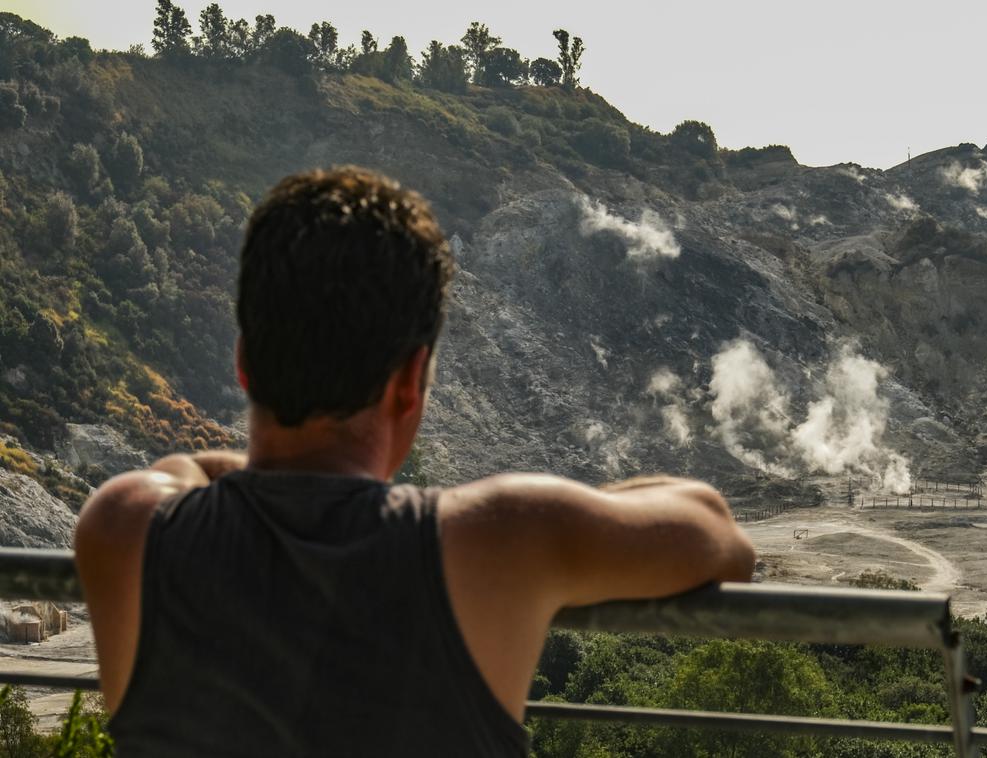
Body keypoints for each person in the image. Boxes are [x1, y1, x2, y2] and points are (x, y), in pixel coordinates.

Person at [73, 166, 755, 757]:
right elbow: (718, 531)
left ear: (244, 362)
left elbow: (185, 470)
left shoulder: (124, 526)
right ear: (411, 380)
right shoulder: (505, 536)